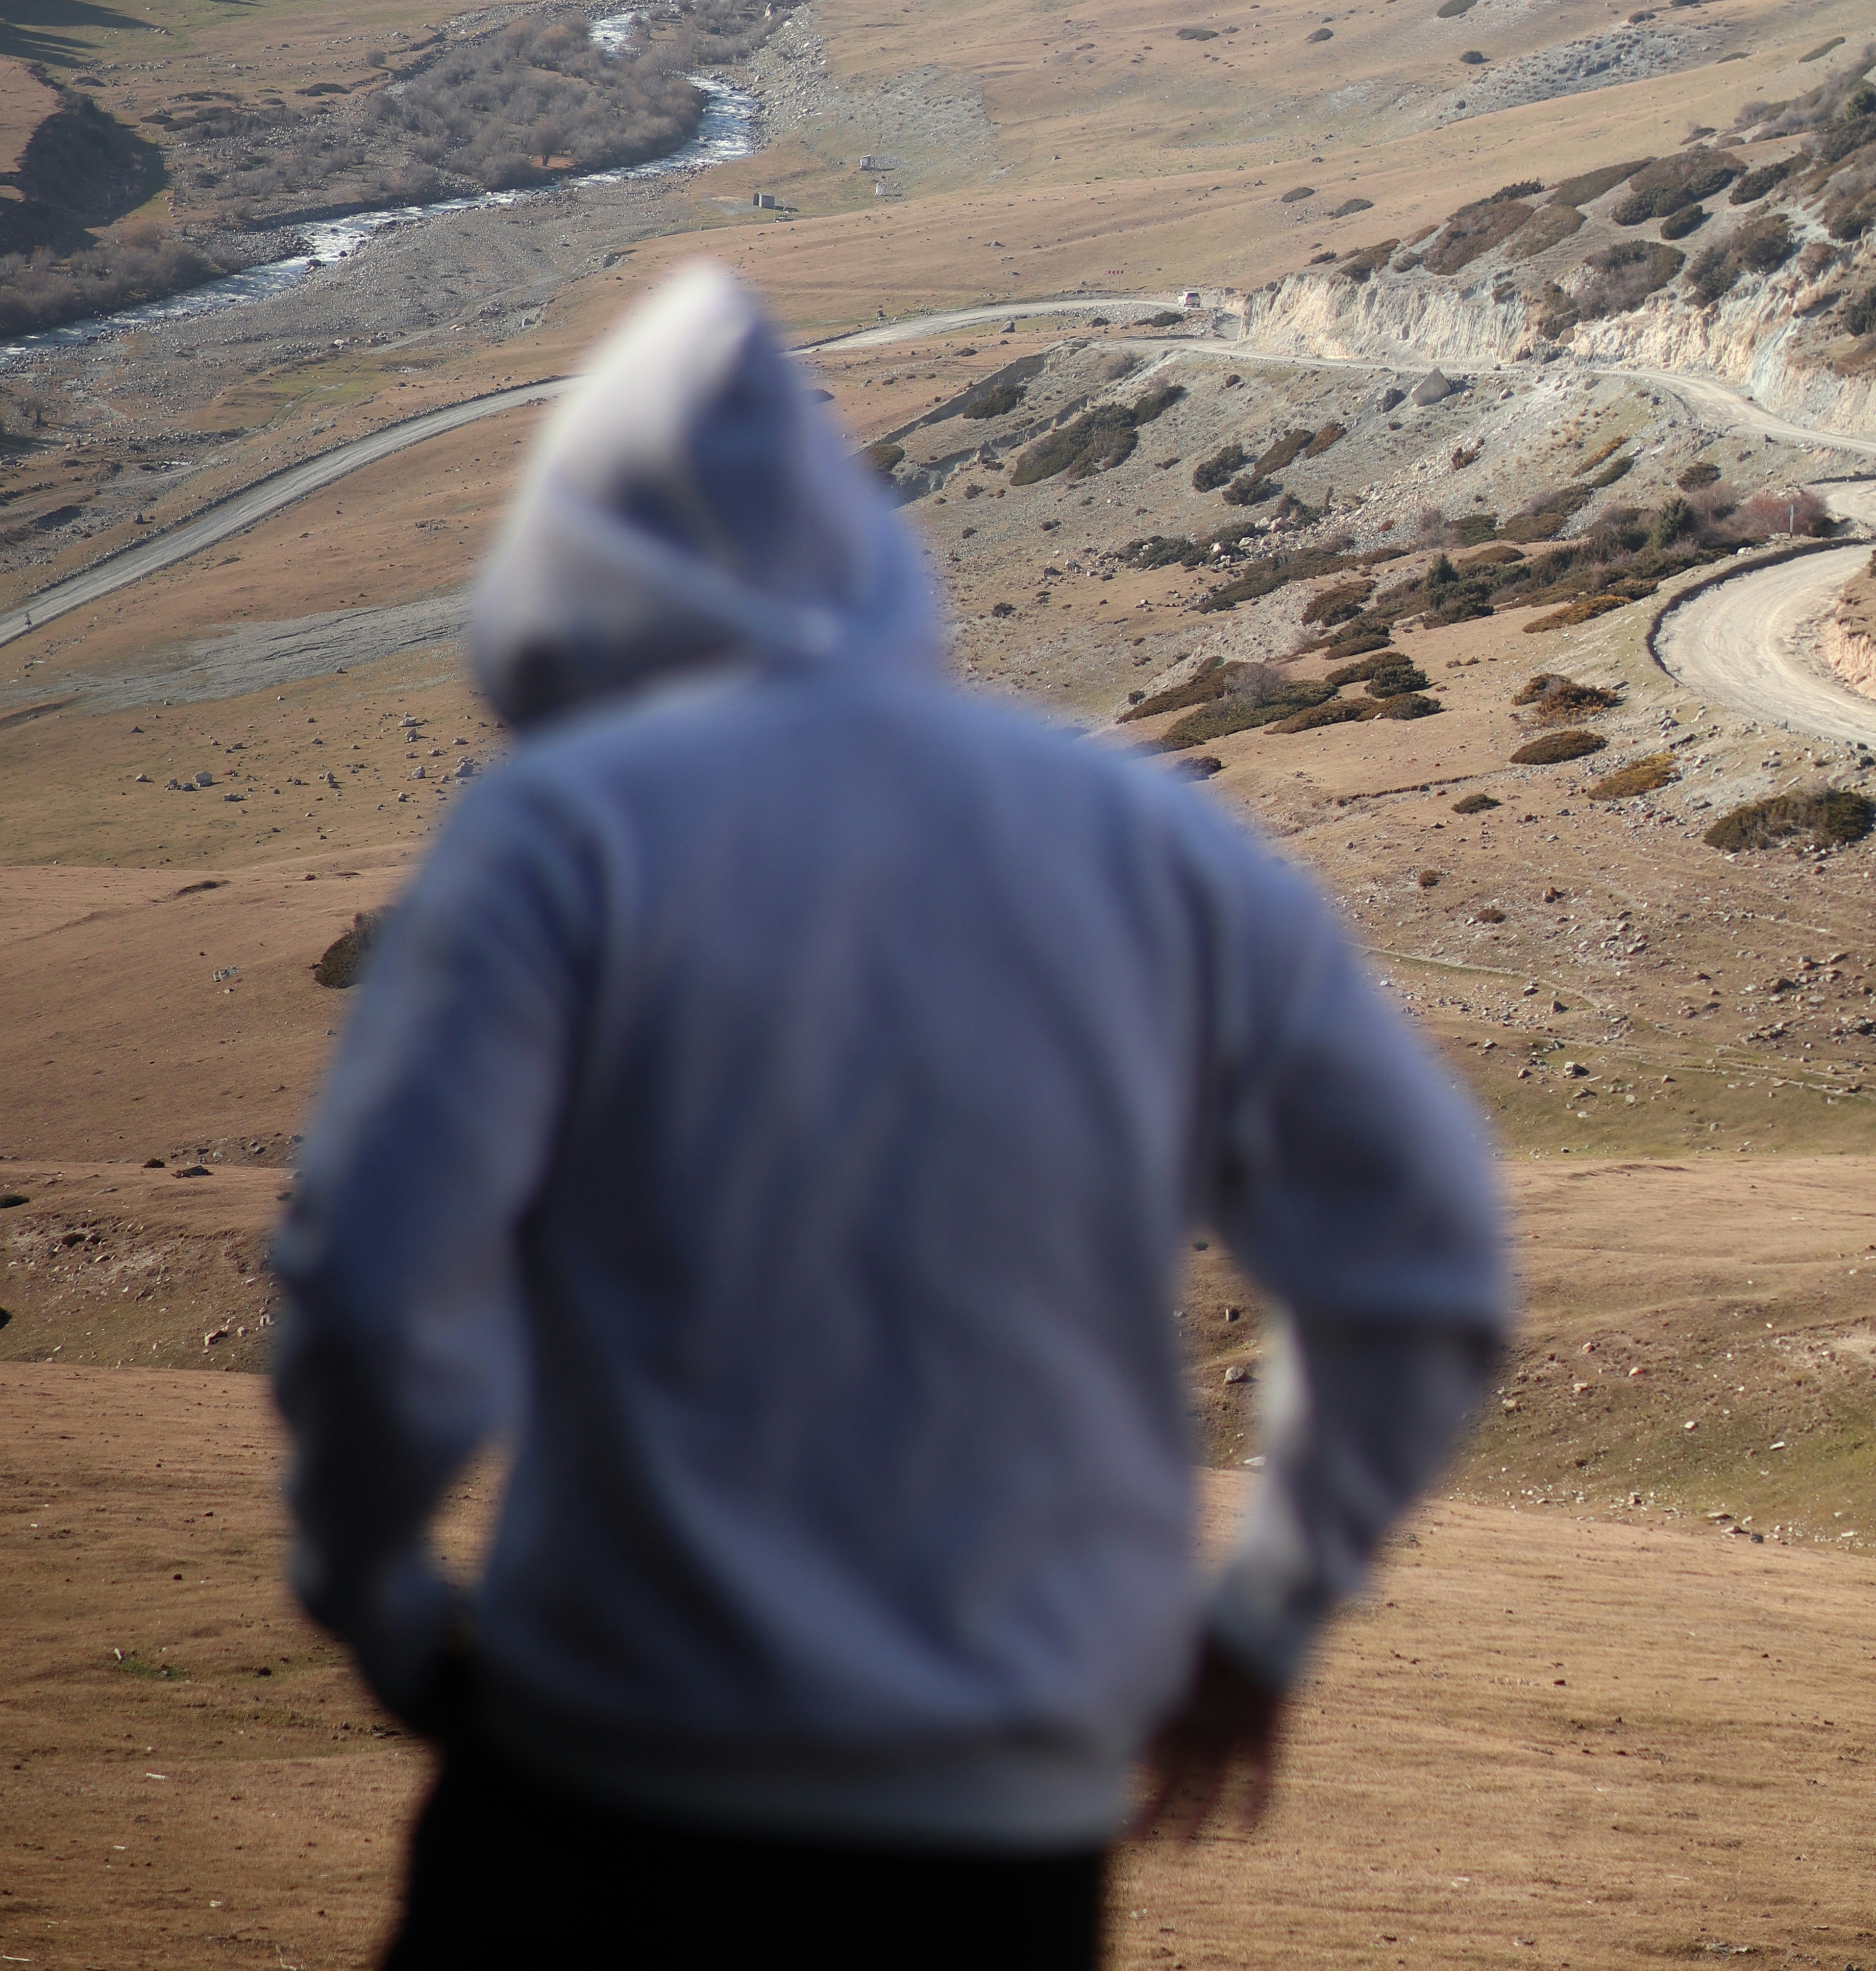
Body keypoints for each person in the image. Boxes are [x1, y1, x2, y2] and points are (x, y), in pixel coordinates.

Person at [273, 264, 1508, 1968]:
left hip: (603, 1789)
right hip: (996, 1846)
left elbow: (371, 1279)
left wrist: (382, 1599)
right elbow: (1422, 1272)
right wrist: (1266, 1620)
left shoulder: (566, 834)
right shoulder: (1166, 850)